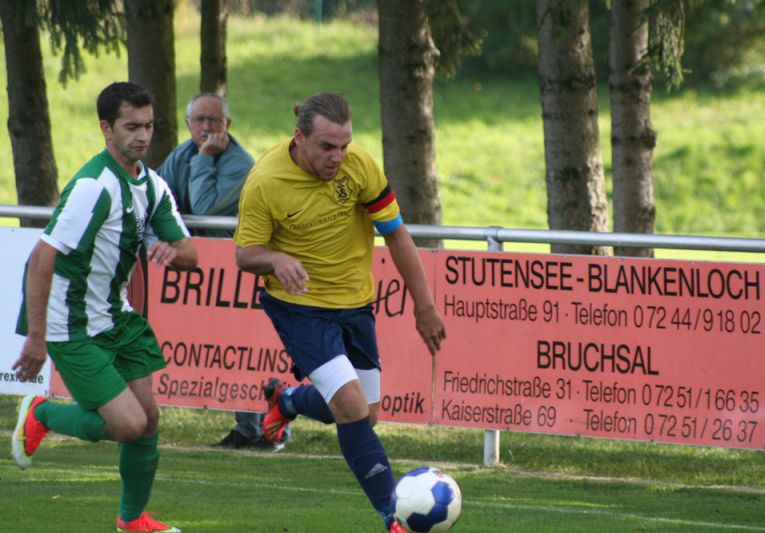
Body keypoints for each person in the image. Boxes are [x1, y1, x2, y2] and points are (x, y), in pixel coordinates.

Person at [234, 92, 446, 533]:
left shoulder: (360, 166)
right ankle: (393, 516)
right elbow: (244, 255)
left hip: (355, 304)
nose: (338, 156)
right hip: (299, 309)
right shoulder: (265, 182)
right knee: (350, 406)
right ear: (300, 138)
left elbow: (396, 234)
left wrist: (424, 305)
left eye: (344, 145)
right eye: (327, 146)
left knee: (366, 414)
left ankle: (287, 399)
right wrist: (275, 259)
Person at [11, 82, 197, 533]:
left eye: (148, 125)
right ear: (106, 129)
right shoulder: (93, 187)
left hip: (116, 317)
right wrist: (36, 338)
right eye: (131, 127)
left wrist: (172, 252)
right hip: (70, 325)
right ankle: (42, 413)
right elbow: (41, 258)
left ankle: (131, 521)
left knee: (148, 421)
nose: (143, 135)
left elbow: (189, 254)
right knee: (130, 424)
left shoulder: (151, 185)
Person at [158, 92, 290, 450]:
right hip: (206, 273)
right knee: (229, 349)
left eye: (213, 120)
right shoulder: (180, 155)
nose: (205, 127)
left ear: (227, 124)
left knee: (253, 348)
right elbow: (160, 197)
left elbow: (204, 206)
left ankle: (274, 430)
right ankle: (247, 428)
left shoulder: (240, 163)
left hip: (243, 272)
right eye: (198, 120)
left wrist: (204, 158)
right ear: (187, 123)